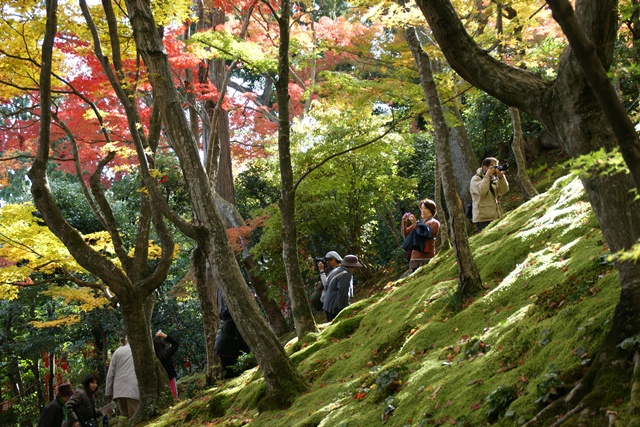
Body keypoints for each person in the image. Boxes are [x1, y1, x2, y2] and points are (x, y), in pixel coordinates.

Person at [214, 289, 250, 379]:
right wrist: (246, 349)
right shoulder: (235, 318)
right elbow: (239, 335)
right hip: (228, 347)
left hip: (220, 346)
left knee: (227, 370)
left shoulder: (225, 317)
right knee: (232, 372)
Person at [469, 157, 510, 232]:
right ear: (485, 167)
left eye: (496, 166)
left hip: (495, 215)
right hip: (483, 218)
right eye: (492, 166)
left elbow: (504, 190)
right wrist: (487, 176)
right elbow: (482, 191)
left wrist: (501, 177)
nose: (494, 169)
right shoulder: (475, 179)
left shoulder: (493, 179)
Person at [401, 199, 440, 271]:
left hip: (427, 256)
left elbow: (427, 235)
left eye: (425, 208)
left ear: (431, 209)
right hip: (414, 257)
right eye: (421, 208)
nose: (423, 210)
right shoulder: (419, 222)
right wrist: (404, 221)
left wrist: (415, 225)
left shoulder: (434, 223)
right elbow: (405, 233)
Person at [105, 337, 139, 418]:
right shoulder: (139, 350)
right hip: (133, 389)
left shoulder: (118, 351)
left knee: (125, 418)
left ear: (126, 340)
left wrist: (108, 393)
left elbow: (110, 374)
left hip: (119, 390)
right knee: (135, 418)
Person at [322, 254, 364, 322]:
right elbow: (342, 293)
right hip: (334, 307)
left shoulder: (336, 270)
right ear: (351, 267)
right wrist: (344, 310)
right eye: (354, 267)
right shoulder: (345, 275)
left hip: (328, 305)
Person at [153, 330, 180, 399]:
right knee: (174, 396)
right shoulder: (167, 355)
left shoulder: (154, 358)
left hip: (160, 382)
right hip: (170, 378)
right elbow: (176, 344)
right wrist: (164, 336)